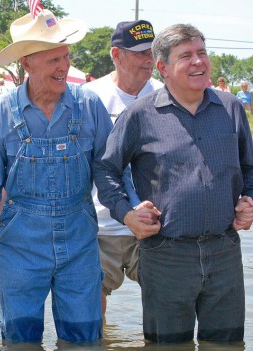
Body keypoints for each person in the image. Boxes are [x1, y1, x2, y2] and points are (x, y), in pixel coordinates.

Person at [0, 9, 145, 343]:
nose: (64, 67)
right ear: (26, 63)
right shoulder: (1, 113)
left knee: (84, 341)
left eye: (65, 57)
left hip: (80, 241)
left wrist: (132, 210)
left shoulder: (89, 105)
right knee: (20, 342)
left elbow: (110, 171)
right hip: (19, 246)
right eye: (53, 60)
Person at [96, 23, 253, 343]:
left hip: (224, 252)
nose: (198, 61)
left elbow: (250, 168)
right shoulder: (140, 115)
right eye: (186, 56)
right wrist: (126, 214)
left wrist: (249, 199)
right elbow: (106, 170)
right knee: (167, 349)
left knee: (226, 347)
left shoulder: (231, 108)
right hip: (165, 254)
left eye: (202, 53)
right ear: (163, 67)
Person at [84, 19, 163, 315]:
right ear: (116, 55)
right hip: (100, 225)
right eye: (141, 53)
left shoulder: (164, 96)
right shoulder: (90, 98)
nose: (149, 60)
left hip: (154, 223)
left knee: (166, 299)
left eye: (152, 52)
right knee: (91, 307)